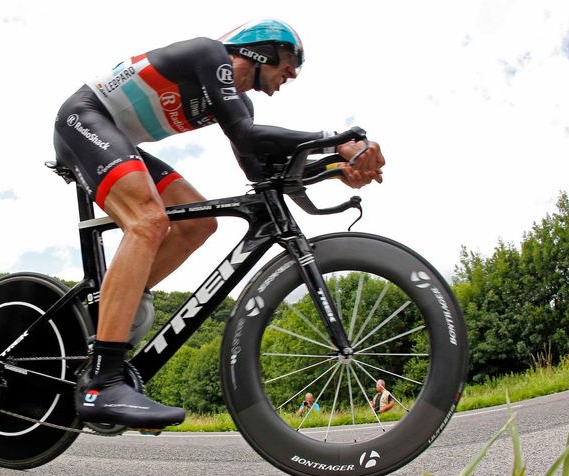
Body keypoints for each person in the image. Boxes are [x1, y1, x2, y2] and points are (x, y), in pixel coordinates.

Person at [53, 18, 386, 430]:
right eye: (289, 60)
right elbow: (247, 137)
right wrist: (337, 138)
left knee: (200, 223)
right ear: (260, 50)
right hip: (83, 120)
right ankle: (103, 381)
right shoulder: (208, 53)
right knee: (148, 221)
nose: (293, 73)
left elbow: (261, 170)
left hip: (117, 139)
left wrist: (337, 167)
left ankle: (108, 314)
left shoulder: (239, 104)